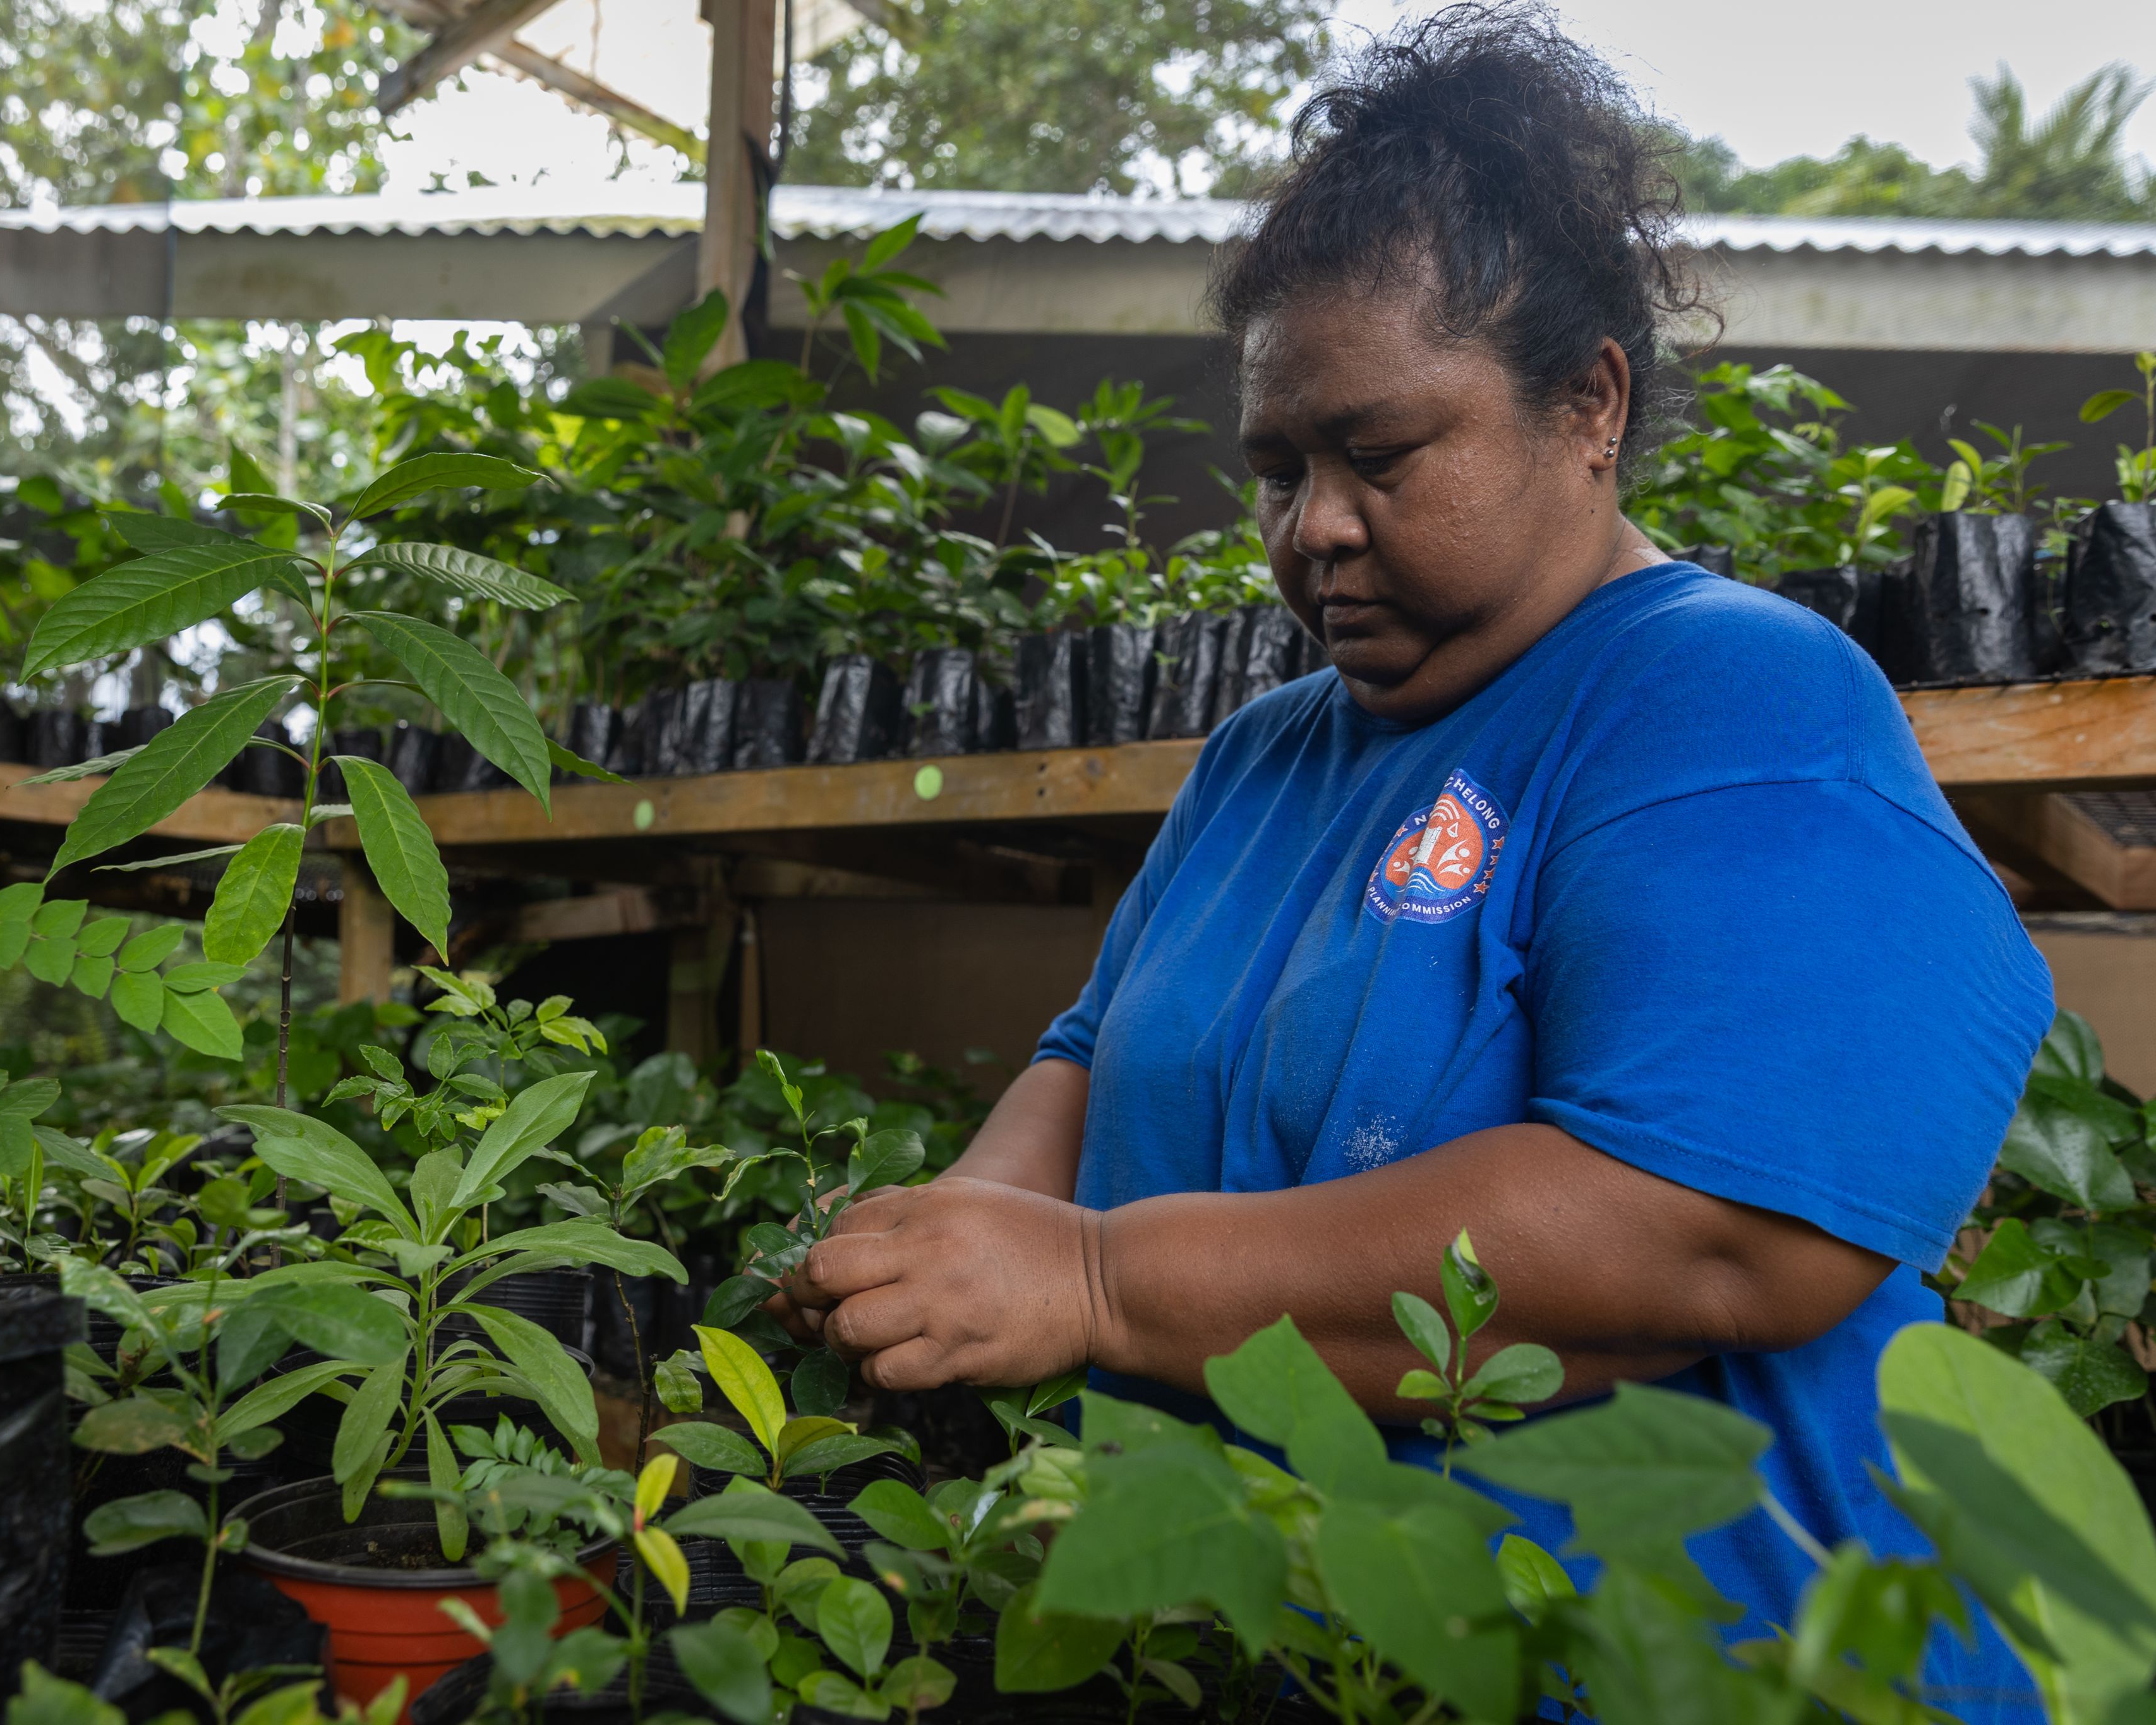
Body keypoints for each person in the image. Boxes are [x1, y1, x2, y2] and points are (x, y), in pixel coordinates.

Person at [780, 4, 2055, 1716]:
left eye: (1381, 454)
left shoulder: (1726, 698)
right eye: (1280, 465)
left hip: (1701, 1664)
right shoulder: (1262, 758)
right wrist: (955, 1247)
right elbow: (1094, 1065)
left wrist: (1092, 1281)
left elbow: (1715, 1226)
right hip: (1310, 1648)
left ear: (1589, 401)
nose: (1313, 523)